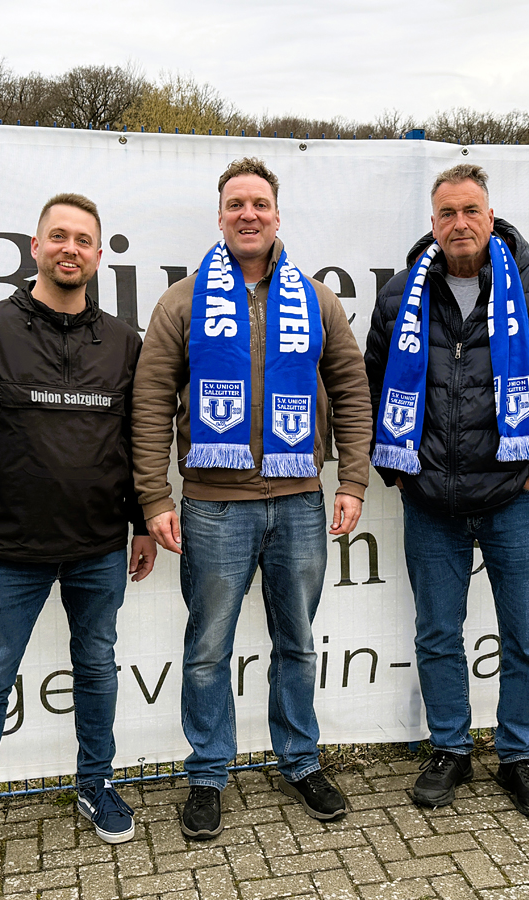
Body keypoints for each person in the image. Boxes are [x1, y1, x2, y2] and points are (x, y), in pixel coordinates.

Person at [131, 157, 371, 840]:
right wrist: (154, 497)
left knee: (297, 642)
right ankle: (209, 773)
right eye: (236, 204)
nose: (248, 214)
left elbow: (352, 391)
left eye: (259, 203)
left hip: (299, 503)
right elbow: (149, 402)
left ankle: (300, 761)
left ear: (277, 214)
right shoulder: (182, 301)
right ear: (220, 217)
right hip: (213, 506)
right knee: (208, 647)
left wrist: (353, 481)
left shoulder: (317, 300)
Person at [0, 194, 156, 881]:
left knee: (97, 668)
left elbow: (136, 442)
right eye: (59, 236)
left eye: (83, 240)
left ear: (99, 255)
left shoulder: (124, 341)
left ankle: (95, 784)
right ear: (35, 246)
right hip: (12, 549)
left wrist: (141, 523)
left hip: (98, 547)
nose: (70, 249)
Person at [364, 164, 529, 817]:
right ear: (433, 223)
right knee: (438, 633)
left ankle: (519, 755)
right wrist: (397, 469)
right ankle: (450, 749)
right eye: (448, 213)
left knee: (525, 636)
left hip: (516, 499)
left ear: (491, 218)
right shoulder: (401, 295)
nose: (460, 223)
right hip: (430, 502)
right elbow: (372, 385)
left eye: (471, 210)